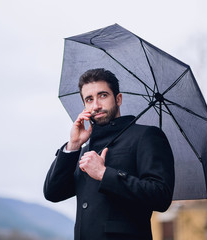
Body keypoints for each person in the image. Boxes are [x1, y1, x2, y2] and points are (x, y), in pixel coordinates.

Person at [44, 68, 175, 240]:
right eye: (89, 99)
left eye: (103, 95)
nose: (96, 105)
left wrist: (104, 174)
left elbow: (160, 196)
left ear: (118, 99)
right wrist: (74, 145)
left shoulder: (146, 136)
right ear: (84, 106)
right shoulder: (85, 151)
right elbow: (53, 192)